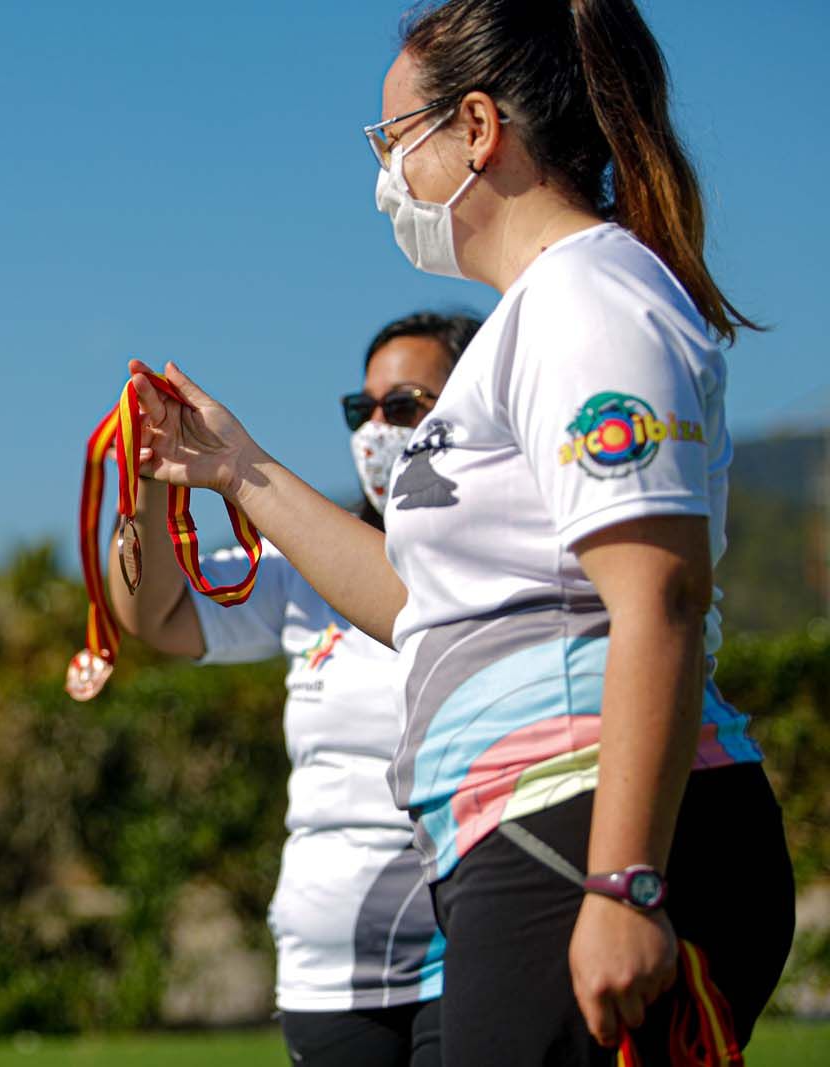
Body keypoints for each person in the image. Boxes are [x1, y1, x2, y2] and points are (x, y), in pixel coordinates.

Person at [121, 2, 794, 1064]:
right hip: (533, 821)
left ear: (476, 129)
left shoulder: (587, 297)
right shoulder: (534, 318)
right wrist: (235, 470)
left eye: (393, 140)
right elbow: (421, 606)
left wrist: (623, 879)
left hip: (580, 817)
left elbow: (659, 593)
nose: (386, 175)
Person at [109, 311, 479, 1067]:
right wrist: (150, 481)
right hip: (326, 979)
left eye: (404, 405)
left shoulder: (499, 560)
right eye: (361, 408)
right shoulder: (307, 565)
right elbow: (157, 615)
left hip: (465, 954)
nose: (377, 428)